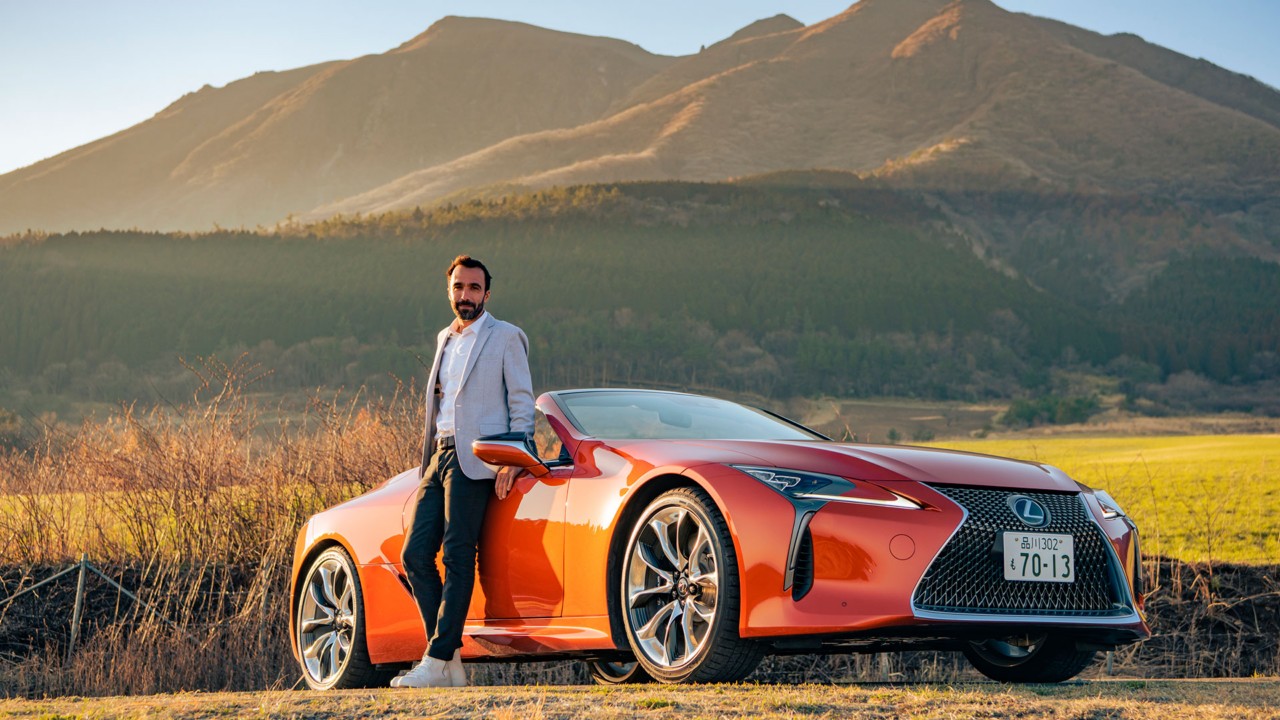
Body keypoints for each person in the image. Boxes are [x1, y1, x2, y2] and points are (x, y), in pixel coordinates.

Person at [392, 254, 534, 688]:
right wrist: (430, 458)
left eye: (474, 288)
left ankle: (436, 659)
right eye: (459, 287)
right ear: (448, 290)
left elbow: (522, 402)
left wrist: (514, 457)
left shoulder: (506, 337)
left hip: (480, 458)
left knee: (457, 554)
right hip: (438, 455)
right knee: (414, 555)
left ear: (487, 294)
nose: (465, 295)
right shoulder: (443, 339)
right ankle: (448, 658)